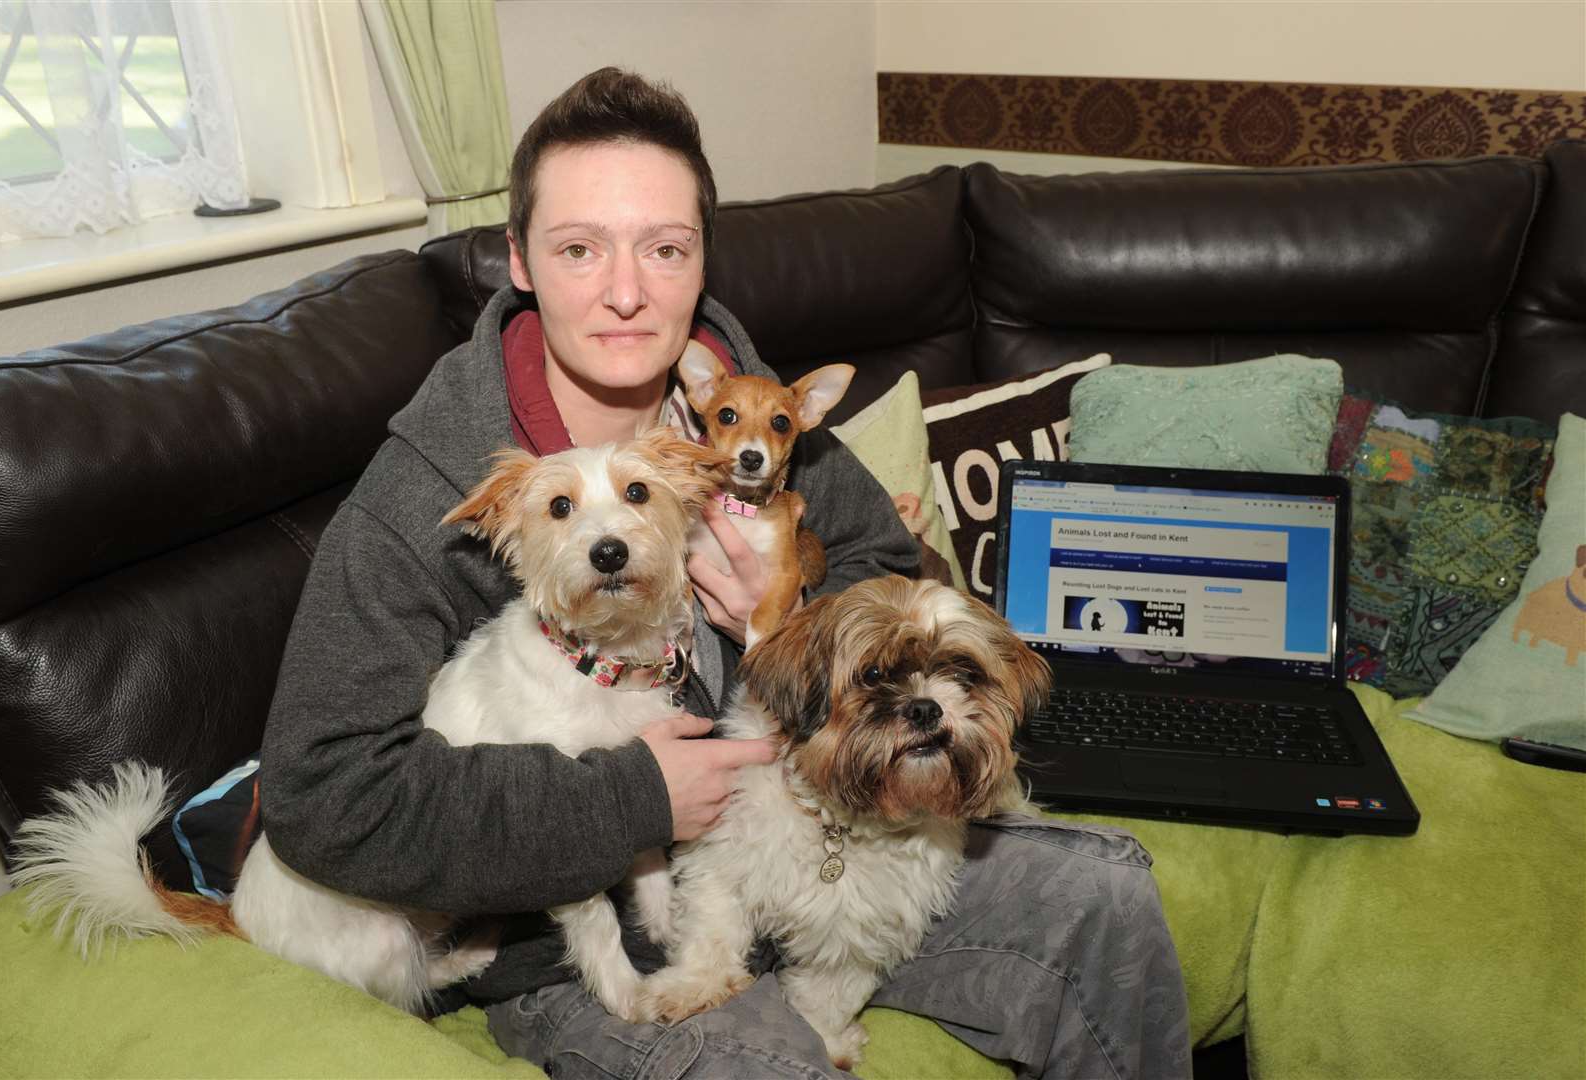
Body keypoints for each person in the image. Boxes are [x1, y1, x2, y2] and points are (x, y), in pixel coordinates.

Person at [259, 68, 1191, 1079]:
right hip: (594, 936)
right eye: (580, 250)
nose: (627, 292)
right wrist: (630, 804)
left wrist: (795, 623)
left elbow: (891, 566)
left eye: (665, 249)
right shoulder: (426, 492)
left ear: (701, 259)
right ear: (520, 260)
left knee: (1104, 903)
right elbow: (326, 795)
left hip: (833, 833)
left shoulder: (754, 424)